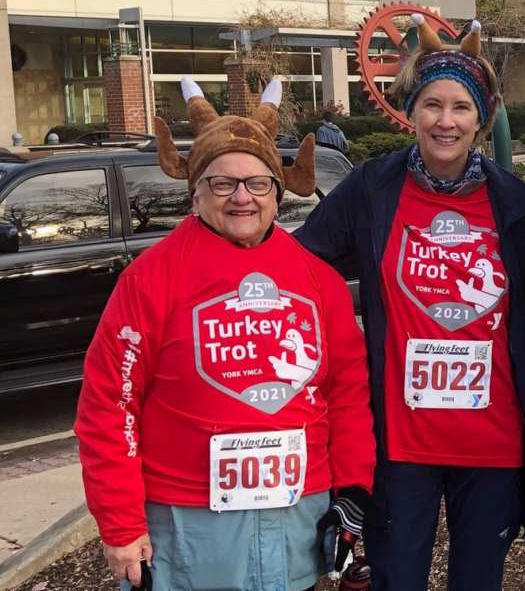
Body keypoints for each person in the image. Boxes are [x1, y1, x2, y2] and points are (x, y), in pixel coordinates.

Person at [75, 76, 375, 591]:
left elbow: (346, 394)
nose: (242, 198)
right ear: (195, 192)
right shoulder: (151, 277)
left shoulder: (316, 280)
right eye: (222, 183)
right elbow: (109, 404)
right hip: (188, 524)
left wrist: (352, 490)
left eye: (257, 183)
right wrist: (121, 524)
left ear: (278, 193)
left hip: (296, 512)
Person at [296, 14, 525, 591]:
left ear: (481, 122)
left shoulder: (516, 203)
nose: (445, 120)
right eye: (432, 104)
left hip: (491, 440)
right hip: (401, 444)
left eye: (461, 108)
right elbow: (301, 268)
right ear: (410, 111)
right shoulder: (371, 187)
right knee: (396, 580)